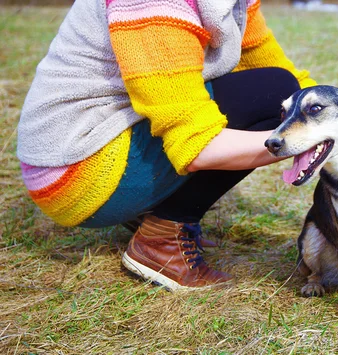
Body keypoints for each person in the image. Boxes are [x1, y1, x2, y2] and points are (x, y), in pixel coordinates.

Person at [17, 0, 316, 291]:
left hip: (91, 142)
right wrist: (309, 139)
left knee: (278, 90)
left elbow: (272, 67)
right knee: (273, 99)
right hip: (76, 170)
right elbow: (199, 146)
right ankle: (161, 241)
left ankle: (151, 211)